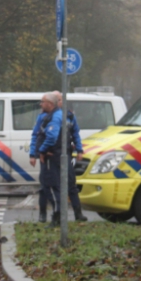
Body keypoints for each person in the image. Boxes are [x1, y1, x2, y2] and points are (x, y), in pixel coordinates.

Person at [55, 93, 86, 222]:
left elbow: (76, 134)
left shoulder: (69, 116)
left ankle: (78, 214)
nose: (59, 102)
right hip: (53, 155)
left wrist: (79, 149)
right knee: (54, 186)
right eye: (57, 99)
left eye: (61, 99)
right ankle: (57, 217)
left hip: (66, 154)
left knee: (71, 183)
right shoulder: (47, 116)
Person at [28, 97, 55, 223]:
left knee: (60, 187)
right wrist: (33, 154)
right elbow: (36, 136)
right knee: (44, 186)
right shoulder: (42, 117)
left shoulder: (63, 116)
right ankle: (43, 214)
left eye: (42, 102)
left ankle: (59, 214)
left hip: (58, 157)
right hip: (45, 157)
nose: (40, 104)